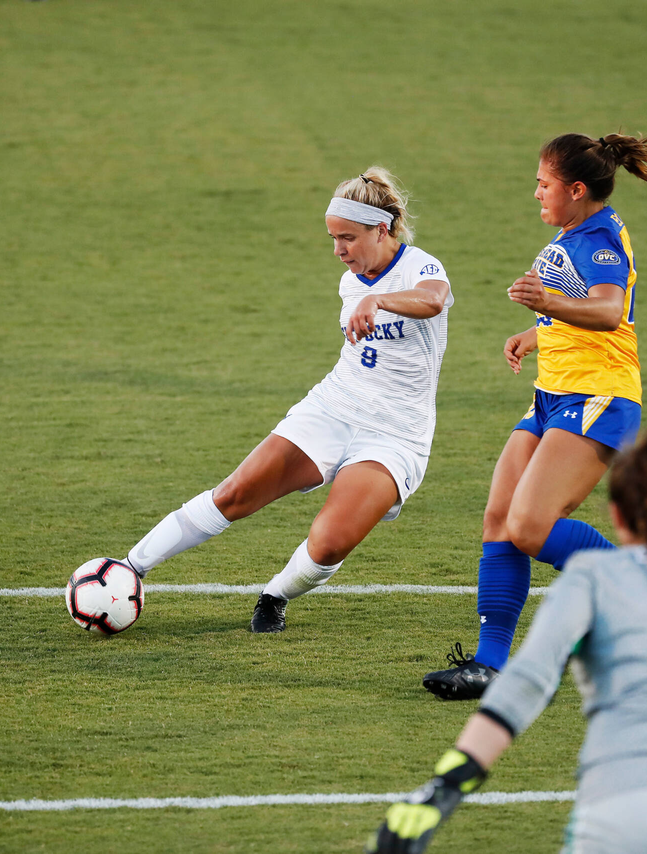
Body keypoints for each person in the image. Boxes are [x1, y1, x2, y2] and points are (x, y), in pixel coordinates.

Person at [368, 433, 647, 854]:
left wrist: (442, 789)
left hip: (628, 812)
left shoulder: (592, 578)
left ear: (617, 514)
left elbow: (525, 686)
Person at [116, 167, 452, 632]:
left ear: (381, 229)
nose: (338, 251)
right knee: (234, 494)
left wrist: (380, 300)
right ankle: (128, 568)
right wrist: (367, 298)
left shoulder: (420, 266)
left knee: (329, 542)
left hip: (396, 434)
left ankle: (274, 595)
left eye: (348, 238)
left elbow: (432, 300)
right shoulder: (351, 280)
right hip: (333, 407)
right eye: (333, 238)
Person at [422, 133, 647, 700]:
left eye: (543, 183)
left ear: (576, 190)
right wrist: (538, 331)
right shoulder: (574, 229)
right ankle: (489, 666)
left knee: (530, 527)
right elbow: (577, 302)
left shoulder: (598, 237)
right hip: (553, 394)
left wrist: (546, 305)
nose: (535, 193)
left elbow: (609, 310)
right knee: (500, 521)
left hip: (597, 396)